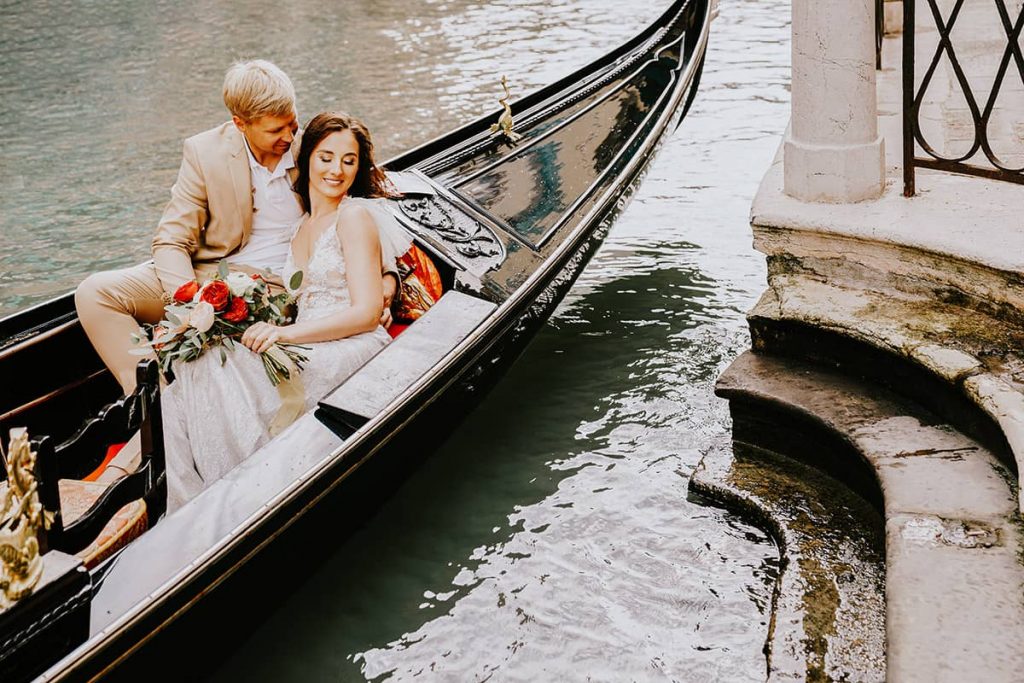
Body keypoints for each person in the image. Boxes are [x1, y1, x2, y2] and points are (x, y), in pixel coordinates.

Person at [74, 60, 401, 396]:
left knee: (220, 359)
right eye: (276, 131)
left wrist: (387, 275)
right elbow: (171, 240)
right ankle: (155, 402)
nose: (289, 137)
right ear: (240, 124)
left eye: (293, 122)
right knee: (95, 293)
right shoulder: (204, 152)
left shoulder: (314, 147)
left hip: (278, 286)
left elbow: (362, 202)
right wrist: (191, 303)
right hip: (206, 277)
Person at [163, 112, 409, 511]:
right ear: (308, 156)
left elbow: (366, 314)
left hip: (353, 345)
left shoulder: (354, 216)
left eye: (349, 161)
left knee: (216, 368)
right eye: (326, 157)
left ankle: (236, 500)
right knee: (189, 373)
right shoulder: (301, 225)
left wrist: (283, 335)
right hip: (309, 340)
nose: (336, 170)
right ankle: (188, 507)